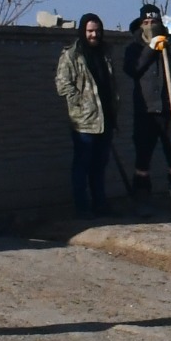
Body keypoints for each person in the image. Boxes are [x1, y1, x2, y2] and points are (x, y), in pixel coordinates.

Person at [122, 6, 171, 209]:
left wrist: (168, 46)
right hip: (146, 113)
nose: (151, 26)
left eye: (154, 22)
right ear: (141, 24)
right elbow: (133, 70)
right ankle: (142, 198)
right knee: (143, 158)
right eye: (147, 23)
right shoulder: (134, 47)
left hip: (170, 110)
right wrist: (150, 48)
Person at [55, 12, 116, 217]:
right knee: (82, 165)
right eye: (90, 31)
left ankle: (100, 204)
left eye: (97, 31)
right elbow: (63, 85)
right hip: (84, 122)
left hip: (105, 119)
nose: (94, 35)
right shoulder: (72, 55)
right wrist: (81, 103)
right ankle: (82, 207)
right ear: (83, 31)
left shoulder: (105, 52)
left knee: (99, 166)